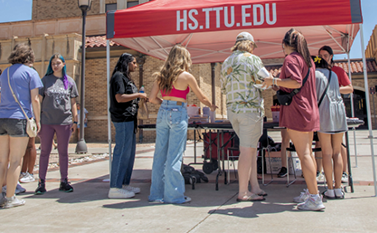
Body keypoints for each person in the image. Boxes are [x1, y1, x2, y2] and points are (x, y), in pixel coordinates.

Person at [264, 28, 324, 211]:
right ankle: (312, 192)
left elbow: (295, 82)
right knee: (309, 153)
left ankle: (314, 198)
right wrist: (279, 85)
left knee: (304, 154)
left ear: (284, 44)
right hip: (309, 109)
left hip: (297, 111)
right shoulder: (308, 61)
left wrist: (273, 81)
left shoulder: (291, 59)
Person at [147, 45, 216, 204]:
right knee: (175, 155)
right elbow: (201, 97)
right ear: (184, 59)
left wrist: (164, 103)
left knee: (159, 155)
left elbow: (151, 98)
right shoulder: (186, 76)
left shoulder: (161, 76)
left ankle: (156, 195)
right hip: (178, 112)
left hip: (163, 112)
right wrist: (211, 106)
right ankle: (174, 196)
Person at [221, 32, 271, 202]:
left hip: (233, 110)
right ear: (249, 45)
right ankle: (243, 192)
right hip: (250, 109)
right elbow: (266, 80)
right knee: (247, 150)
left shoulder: (226, 62)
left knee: (250, 150)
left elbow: (223, 87)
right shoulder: (253, 59)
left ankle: (255, 186)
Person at [0, 43, 43, 209]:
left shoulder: (5, 72)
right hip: (19, 119)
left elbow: (0, 98)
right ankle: (10, 198)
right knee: (16, 160)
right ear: (29, 57)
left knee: (2, 160)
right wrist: (37, 121)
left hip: (1, 118)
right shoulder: (31, 73)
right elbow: (35, 99)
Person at [35, 54, 78, 194]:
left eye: (58, 63)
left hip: (64, 121)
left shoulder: (69, 82)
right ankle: (41, 182)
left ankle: (64, 181)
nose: (55, 65)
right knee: (45, 152)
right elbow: (39, 101)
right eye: (53, 63)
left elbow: (73, 104)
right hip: (47, 121)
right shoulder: (45, 80)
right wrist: (37, 121)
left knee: (63, 152)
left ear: (64, 64)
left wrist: (75, 120)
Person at [108, 53, 146, 199]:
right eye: (134, 63)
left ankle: (124, 183)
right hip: (122, 120)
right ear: (127, 63)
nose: (135, 66)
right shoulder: (118, 76)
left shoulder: (125, 77)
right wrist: (139, 96)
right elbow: (119, 97)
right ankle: (115, 187)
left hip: (130, 120)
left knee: (129, 154)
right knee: (122, 152)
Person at [317, 46, 352, 183]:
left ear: (331, 56)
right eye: (321, 55)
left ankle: (343, 172)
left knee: (337, 147)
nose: (323, 58)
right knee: (323, 146)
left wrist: (335, 89)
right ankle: (320, 172)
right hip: (330, 111)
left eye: (325, 55)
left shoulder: (338, 71)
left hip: (332, 110)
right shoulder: (318, 72)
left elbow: (350, 88)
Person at [314, 57, 348, 199]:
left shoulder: (315, 75)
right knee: (337, 152)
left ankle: (329, 188)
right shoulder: (333, 74)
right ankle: (338, 188)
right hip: (339, 111)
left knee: (326, 153)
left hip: (324, 112)